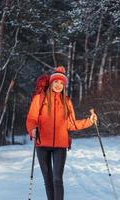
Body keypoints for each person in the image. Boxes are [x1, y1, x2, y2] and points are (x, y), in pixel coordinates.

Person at [26, 66, 97, 200]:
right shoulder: (39, 99)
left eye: (61, 83)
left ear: (64, 85)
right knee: (48, 180)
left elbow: (71, 124)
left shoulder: (67, 101)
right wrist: (33, 129)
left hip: (60, 145)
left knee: (57, 179)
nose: (58, 85)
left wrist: (89, 121)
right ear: (52, 82)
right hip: (42, 144)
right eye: (56, 82)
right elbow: (31, 119)